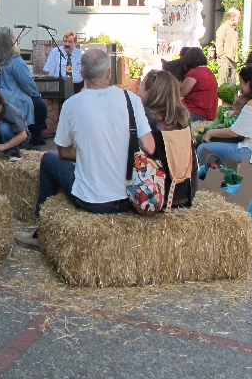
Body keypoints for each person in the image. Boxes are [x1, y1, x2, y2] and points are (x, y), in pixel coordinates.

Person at [14, 49, 155, 250]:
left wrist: (89, 153)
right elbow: (149, 146)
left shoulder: (72, 104)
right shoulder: (131, 99)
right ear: (109, 73)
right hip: (131, 197)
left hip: (91, 200)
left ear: (81, 74)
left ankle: (42, 231)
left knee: (48, 160)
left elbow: (63, 152)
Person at [198, 65, 252, 167]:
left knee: (203, 149)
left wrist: (210, 133)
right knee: (217, 145)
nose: (240, 87)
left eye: (241, 83)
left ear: (249, 83)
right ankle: (219, 174)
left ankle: (207, 177)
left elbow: (234, 132)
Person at [0, 26, 48, 148]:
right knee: (40, 106)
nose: (16, 38)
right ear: (12, 39)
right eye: (15, 36)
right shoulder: (15, 59)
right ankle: (32, 140)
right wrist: (35, 94)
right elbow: (26, 82)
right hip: (10, 99)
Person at [138, 70, 195, 208]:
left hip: (155, 197)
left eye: (142, 84)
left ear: (150, 92)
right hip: (185, 194)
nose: (138, 87)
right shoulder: (184, 119)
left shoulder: (145, 119)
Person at [179, 47, 218, 121]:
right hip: (209, 113)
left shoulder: (194, 73)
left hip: (196, 112)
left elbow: (181, 93)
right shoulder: (209, 71)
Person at [215, 7, 241, 85]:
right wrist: (223, 58)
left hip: (233, 59)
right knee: (223, 84)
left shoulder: (234, 29)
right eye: (239, 17)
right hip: (225, 59)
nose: (240, 19)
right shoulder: (224, 28)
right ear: (233, 16)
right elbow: (219, 44)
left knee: (232, 84)